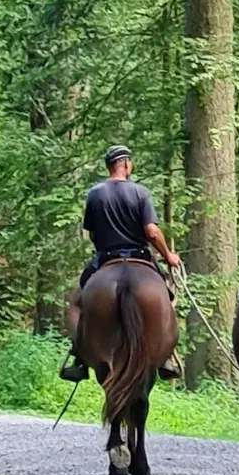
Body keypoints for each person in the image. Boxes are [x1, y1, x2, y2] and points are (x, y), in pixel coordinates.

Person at [60, 144, 182, 383]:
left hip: (106, 257)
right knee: (168, 298)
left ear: (109, 166)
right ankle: (167, 356)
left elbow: (92, 233)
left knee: (76, 302)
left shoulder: (95, 193)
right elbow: (152, 231)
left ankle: (79, 357)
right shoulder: (140, 192)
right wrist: (169, 255)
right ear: (126, 164)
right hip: (140, 256)